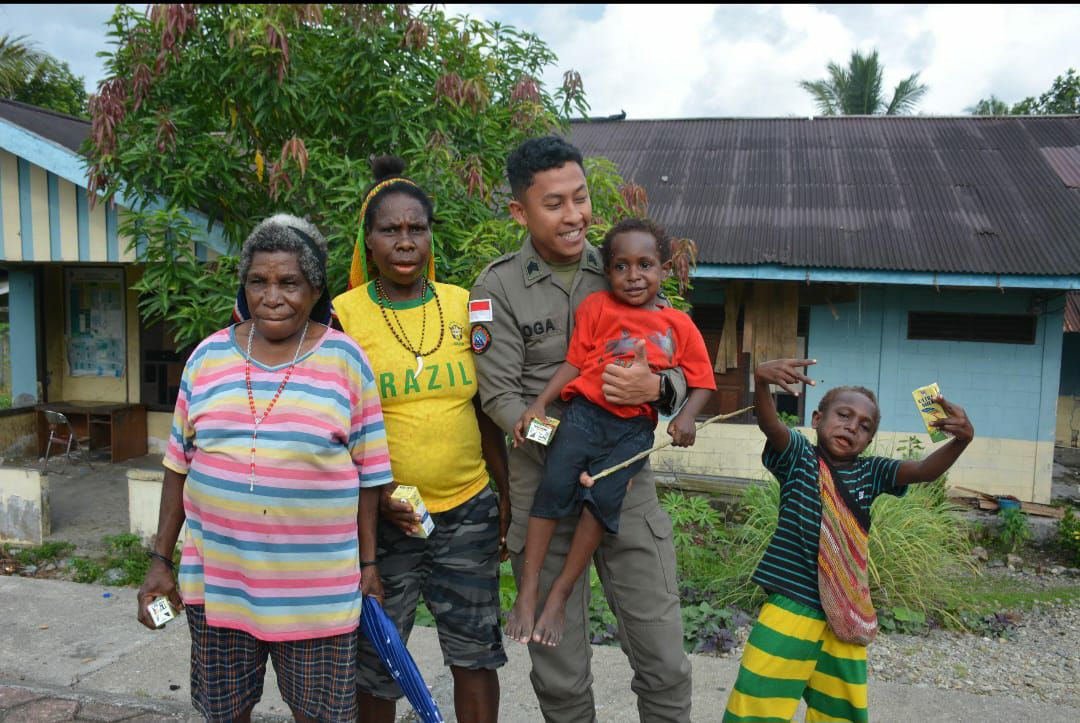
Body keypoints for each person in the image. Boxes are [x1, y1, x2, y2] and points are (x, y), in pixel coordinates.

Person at [470, 135, 694, 723]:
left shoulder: (624, 264)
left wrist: (657, 390)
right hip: (545, 497)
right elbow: (501, 400)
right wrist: (566, 446)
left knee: (665, 663)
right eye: (554, 204)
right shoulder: (496, 288)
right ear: (520, 211)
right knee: (561, 678)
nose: (574, 215)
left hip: (627, 488)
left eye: (581, 197)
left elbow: (675, 365)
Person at [136, 214, 392, 723]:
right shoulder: (206, 358)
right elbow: (178, 465)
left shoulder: (346, 361)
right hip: (220, 586)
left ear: (314, 289)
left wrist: (369, 565)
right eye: (258, 281)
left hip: (317, 594)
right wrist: (161, 560)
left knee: (320, 715)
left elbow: (370, 476)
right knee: (224, 712)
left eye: (289, 283)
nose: (272, 297)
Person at [333, 156, 509, 723]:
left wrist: (505, 496)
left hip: (468, 510)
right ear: (369, 240)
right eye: (391, 229)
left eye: (417, 228)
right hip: (384, 522)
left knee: (475, 655)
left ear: (431, 235)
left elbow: (486, 408)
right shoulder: (343, 316)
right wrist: (376, 495)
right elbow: (331, 426)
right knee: (379, 660)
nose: (406, 241)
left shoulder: (463, 305)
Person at [723, 358, 974, 723]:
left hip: (846, 617)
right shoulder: (799, 458)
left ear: (869, 441)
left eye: (864, 426)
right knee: (757, 704)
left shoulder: (872, 472)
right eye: (843, 415)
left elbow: (923, 470)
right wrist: (760, 382)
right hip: (791, 607)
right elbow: (771, 425)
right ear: (816, 420)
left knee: (841, 712)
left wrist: (962, 441)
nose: (852, 426)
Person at [505, 218, 716, 647]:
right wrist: (540, 403)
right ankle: (528, 591)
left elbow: (703, 382)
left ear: (664, 269)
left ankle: (559, 594)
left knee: (602, 503)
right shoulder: (596, 308)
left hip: (632, 430)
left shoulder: (678, 325)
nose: (633, 276)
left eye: (645, 265)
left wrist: (687, 418)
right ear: (607, 271)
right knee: (552, 488)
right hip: (583, 416)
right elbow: (574, 363)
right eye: (621, 266)